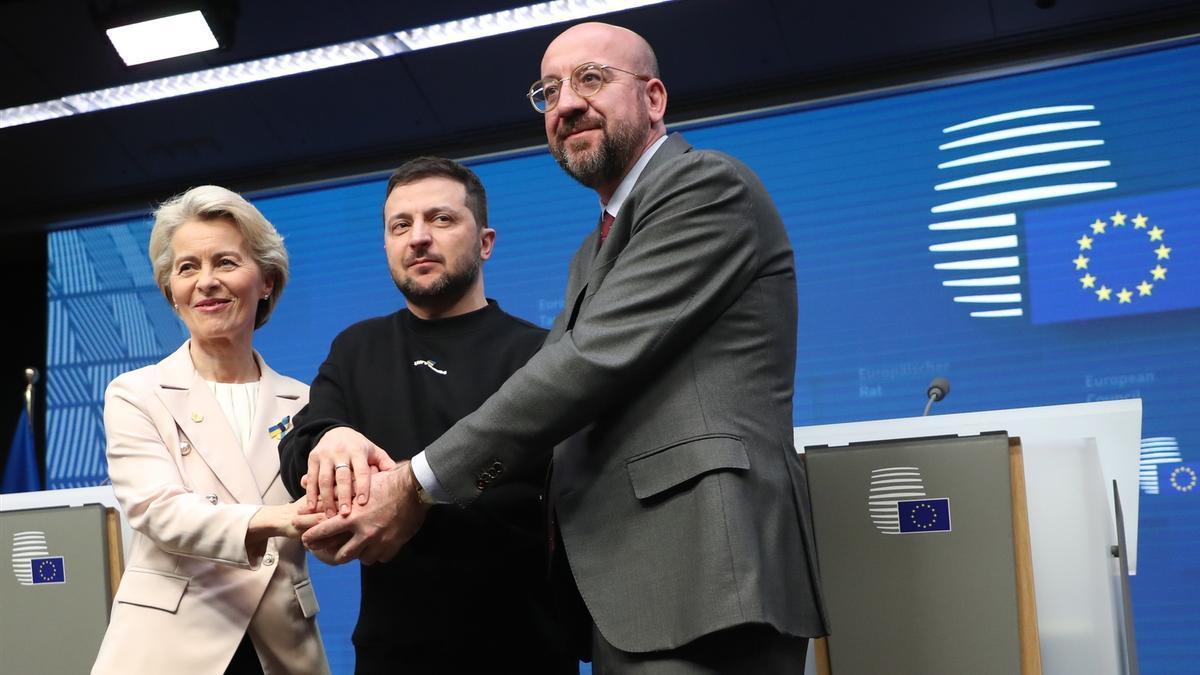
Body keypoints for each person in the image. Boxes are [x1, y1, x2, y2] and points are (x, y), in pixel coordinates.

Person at [300, 21, 829, 672]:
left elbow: (585, 367)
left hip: (700, 573)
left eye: (592, 79)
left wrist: (417, 484)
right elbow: (546, 439)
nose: (567, 103)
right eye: (549, 91)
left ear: (655, 97)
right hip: (626, 593)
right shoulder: (593, 251)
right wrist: (372, 465)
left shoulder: (704, 187)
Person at [278, 157, 576, 674]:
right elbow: (297, 453)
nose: (418, 238)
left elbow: (550, 486)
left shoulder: (542, 353)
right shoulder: (357, 348)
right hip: (392, 655)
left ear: (485, 242)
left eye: (440, 219)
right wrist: (331, 438)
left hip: (524, 651)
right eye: (401, 225)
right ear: (387, 247)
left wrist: (412, 493)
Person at [92, 186, 329, 675]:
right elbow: (159, 511)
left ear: (265, 281)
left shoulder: (310, 403)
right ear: (171, 293)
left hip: (279, 647)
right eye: (187, 268)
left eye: (225, 262)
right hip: (167, 649)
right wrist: (279, 519)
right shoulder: (136, 393)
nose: (206, 282)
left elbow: (328, 518)